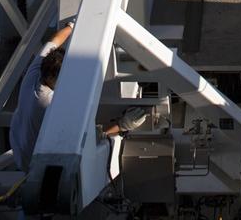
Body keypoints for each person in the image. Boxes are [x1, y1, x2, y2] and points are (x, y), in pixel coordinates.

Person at [10, 20, 145, 171]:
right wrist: (122, 124)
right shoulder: (51, 106)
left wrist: (72, 26)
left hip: (18, 142)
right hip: (32, 163)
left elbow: (54, 41)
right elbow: (86, 138)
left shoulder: (37, 69)